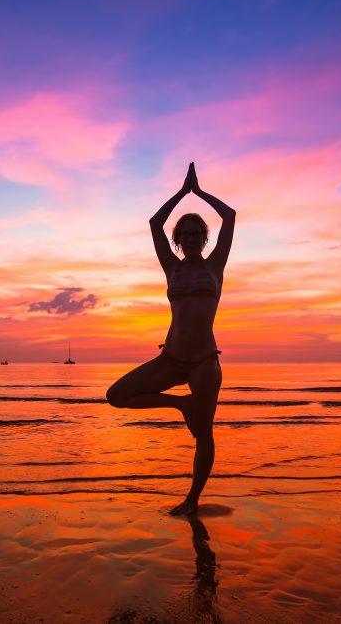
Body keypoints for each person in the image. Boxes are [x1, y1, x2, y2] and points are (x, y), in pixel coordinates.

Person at [106, 162, 235, 515]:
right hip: (172, 357)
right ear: (178, 239)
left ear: (204, 238)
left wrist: (200, 192)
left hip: (204, 362)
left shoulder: (215, 265)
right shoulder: (171, 266)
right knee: (116, 396)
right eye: (186, 233)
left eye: (197, 232)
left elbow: (230, 215)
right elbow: (153, 224)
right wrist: (181, 193)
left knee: (204, 434)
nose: (192, 237)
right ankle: (181, 405)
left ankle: (192, 501)